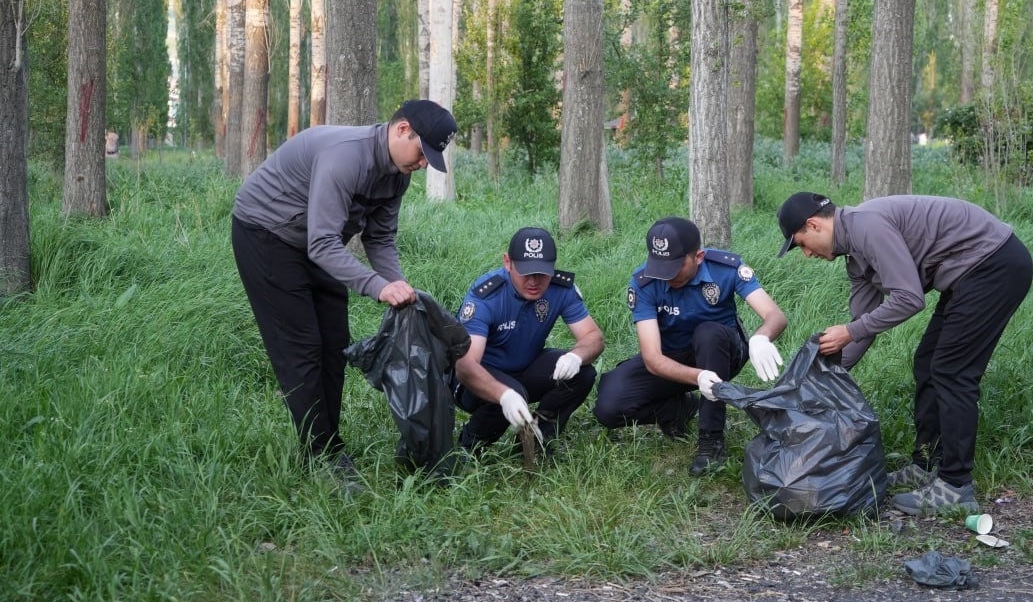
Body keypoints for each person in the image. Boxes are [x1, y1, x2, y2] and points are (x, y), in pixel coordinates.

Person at [231, 99, 458, 477]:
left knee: (334, 344)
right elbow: (322, 243)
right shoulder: (346, 157)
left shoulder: (397, 174)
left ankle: (327, 442)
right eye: (422, 152)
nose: (422, 164)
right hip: (266, 234)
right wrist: (376, 287)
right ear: (403, 129)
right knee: (302, 349)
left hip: (316, 242)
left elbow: (380, 237)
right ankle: (320, 456)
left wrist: (396, 283)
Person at [776, 191, 1033, 514]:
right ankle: (926, 463)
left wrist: (849, 332)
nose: (806, 254)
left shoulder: (867, 227)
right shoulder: (855, 256)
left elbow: (909, 299)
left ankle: (955, 486)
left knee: (952, 372)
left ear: (813, 225)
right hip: (969, 274)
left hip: (994, 265)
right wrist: (821, 376)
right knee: (927, 364)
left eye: (800, 244)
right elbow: (862, 327)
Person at [594, 217, 788, 476]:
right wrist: (697, 377)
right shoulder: (645, 282)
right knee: (608, 407)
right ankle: (678, 409)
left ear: (698, 257)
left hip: (721, 350)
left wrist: (760, 338)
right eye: (660, 266)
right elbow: (652, 358)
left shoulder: (725, 268)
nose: (667, 275)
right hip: (673, 359)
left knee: (707, 334)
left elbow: (775, 316)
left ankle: (711, 439)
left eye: (675, 266)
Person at [452, 227, 605, 457]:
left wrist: (576, 356)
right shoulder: (486, 296)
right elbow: (465, 367)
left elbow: (593, 337)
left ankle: (536, 441)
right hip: (474, 380)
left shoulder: (560, 289)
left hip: (524, 367)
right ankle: (468, 448)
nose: (534, 281)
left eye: (542, 273)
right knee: (513, 392)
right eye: (526, 272)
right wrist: (504, 395)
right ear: (507, 262)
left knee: (583, 374)